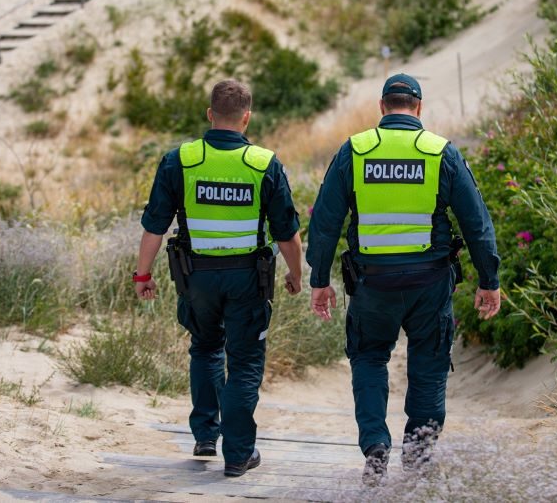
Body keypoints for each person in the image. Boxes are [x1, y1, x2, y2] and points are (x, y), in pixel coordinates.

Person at [306, 73, 501, 484]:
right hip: (430, 284)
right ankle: (418, 455)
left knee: (369, 358)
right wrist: (489, 279)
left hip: (372, 284)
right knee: (429, 363)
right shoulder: (440, 152)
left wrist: (319, 280)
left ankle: (376, 442)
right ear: (419, 109)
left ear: (382, 108)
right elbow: (476, 223)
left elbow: (325, 223)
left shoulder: (355, 151)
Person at [134, 79, 303, 478]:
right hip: (248, 278)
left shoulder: (181, 159)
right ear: (247, 117)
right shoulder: (264, 163)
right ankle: (239, 454)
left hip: (197, 278)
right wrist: (297, 275)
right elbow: (287, 234)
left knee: (206, 348)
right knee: (244, 363)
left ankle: (206, 436)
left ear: (210, 115)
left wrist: (143, 274)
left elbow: (154, 227)